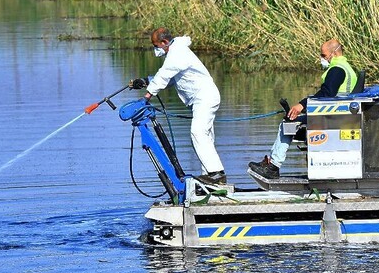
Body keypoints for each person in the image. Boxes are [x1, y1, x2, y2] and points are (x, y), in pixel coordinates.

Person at [249, 38, 358, 179]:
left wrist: (302, 105)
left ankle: (273, 166)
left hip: (331, 118)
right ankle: (273, 164)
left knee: (286, 124)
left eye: (324, 55)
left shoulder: (337, 70)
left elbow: (327, 94)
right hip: (340, 115)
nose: (321, 59)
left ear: (334, 53)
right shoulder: (347, 67)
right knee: (291, 122)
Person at [134, 28, 226, 185]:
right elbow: (171, 79)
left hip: (205, 97)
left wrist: (146, 97)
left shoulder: (177, 53)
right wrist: (147, 80)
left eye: (156, 45)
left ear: (164, 42)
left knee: (198, 132)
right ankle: (210, 177)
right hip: (201, 98)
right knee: (205, 136)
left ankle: (217, 174)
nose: (155, 49)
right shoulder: (176, 52)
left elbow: (164, 75)